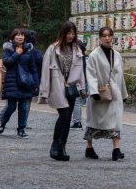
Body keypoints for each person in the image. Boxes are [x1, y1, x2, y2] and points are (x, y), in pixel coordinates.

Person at [39, 22, 86, 161]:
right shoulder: (53, 49)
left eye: (73, 33)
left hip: (71, 87)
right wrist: (44, 91)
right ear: (63, 33)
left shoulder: (77, 49)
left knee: (67, 117)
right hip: (57, 86)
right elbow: (45, 71)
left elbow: (81, 71)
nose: (71, 36)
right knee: (64, 115)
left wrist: (83, 88)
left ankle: (62, 147)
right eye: (68, 33)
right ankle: (55, 145)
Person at [84, 26, 128, 161]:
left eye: (109, 35)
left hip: (114, 92)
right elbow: (90, 74)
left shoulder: (117, 55)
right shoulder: (94, 55)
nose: (107, 38)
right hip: (99, 91)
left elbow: (120, 75)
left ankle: (116, 149)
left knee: (115, 120)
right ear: (100, 37)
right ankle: (89, 147)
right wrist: (93, 91)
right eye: (104, 35)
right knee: (94, 120)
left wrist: (123, 93)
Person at [0, 28, 38, 138]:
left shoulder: (28, 49)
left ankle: (21, 130)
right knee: (11, 106)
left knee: (23, 107)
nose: (20, 37)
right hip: (12, 81)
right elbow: (7, 62)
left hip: (25, 82)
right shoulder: (8, 49)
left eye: (22, 35)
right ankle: (3, 122)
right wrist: (17, 54)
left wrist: (36, 82)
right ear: (13, 37)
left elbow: (33, 67)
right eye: (17, 35)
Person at [71, 39, 89, 129]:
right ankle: (77, 121)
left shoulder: (77, 57)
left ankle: (77, 122)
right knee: (78, 102)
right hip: (83, 80)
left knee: (76, 102)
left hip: (77, 81)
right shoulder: (82, 57)